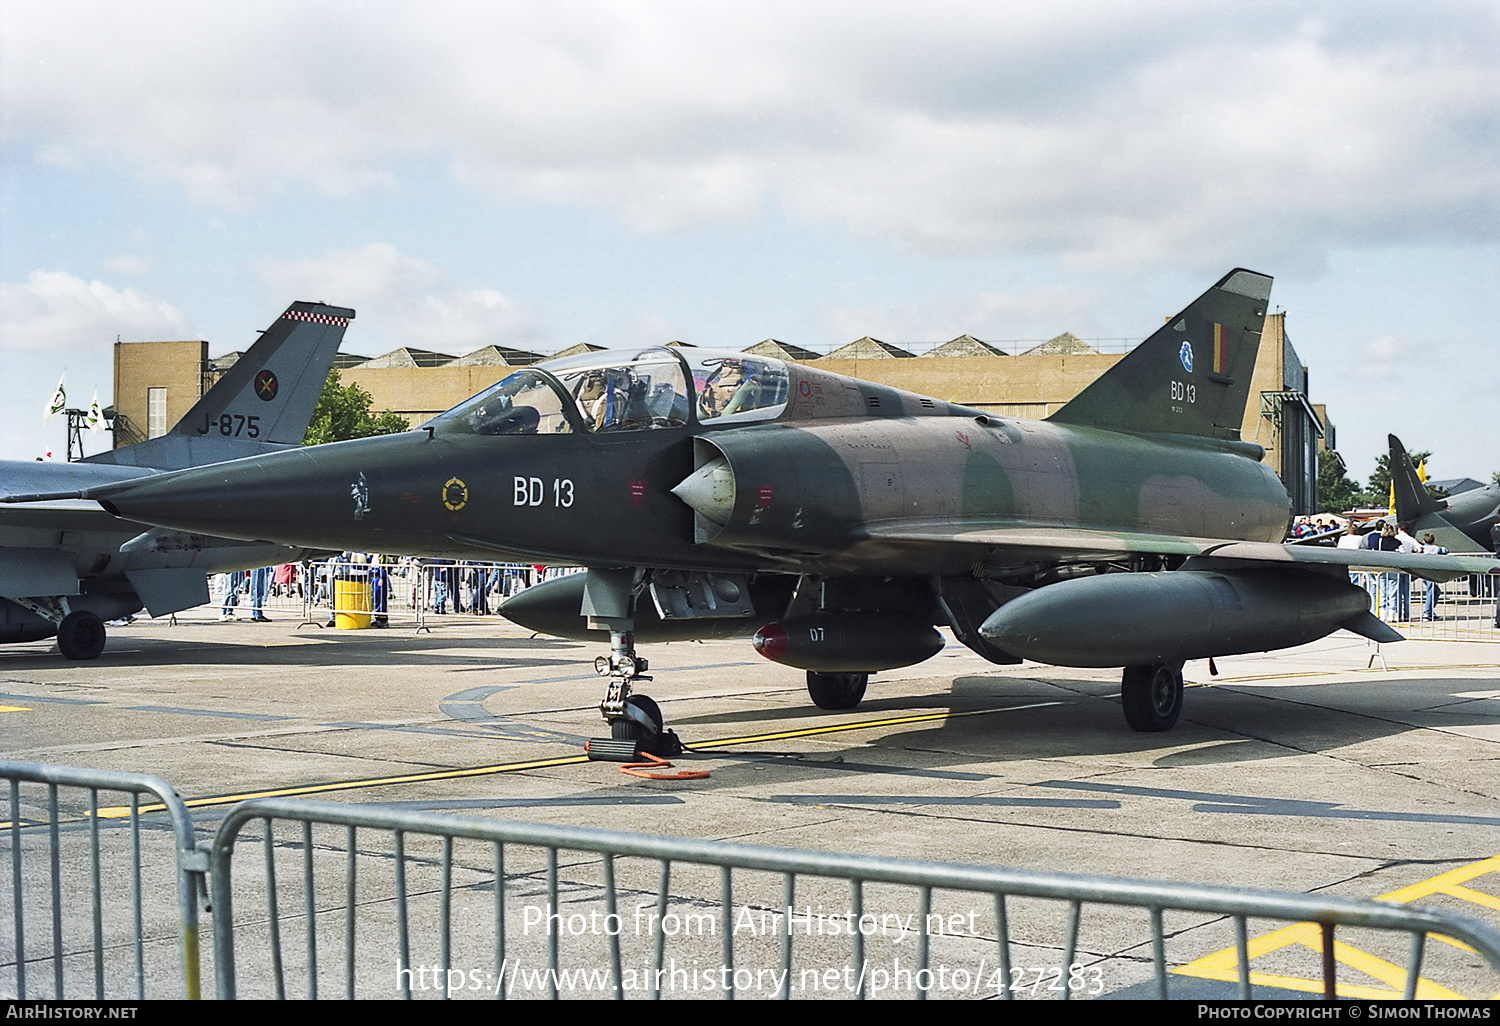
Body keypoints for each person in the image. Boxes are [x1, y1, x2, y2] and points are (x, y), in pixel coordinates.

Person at [1418, 532, 1448, 620]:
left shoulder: (1422, 549)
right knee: (1431, 591)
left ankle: (1430, 610)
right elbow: (1445, 550)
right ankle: (1427, 613)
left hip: (1423, 572)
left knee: (1436, 591)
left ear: (1424, 541)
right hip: (1432, 572)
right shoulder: (1436, 549)